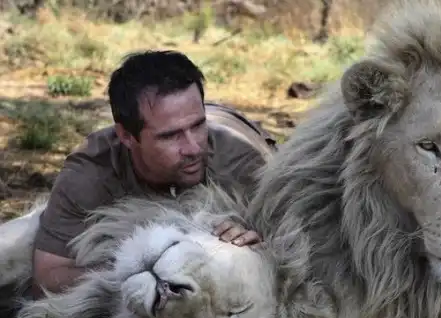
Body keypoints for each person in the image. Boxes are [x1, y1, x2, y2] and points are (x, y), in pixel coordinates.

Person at [30, 50, 277, 298]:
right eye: (170, 136)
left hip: (233, 123)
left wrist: (256, 247)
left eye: (198, 125)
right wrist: (137, 268)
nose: (193, 148)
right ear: (126, 136)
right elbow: (48, 276)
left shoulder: (244, 162)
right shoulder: (90, 174)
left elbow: (291, 253)